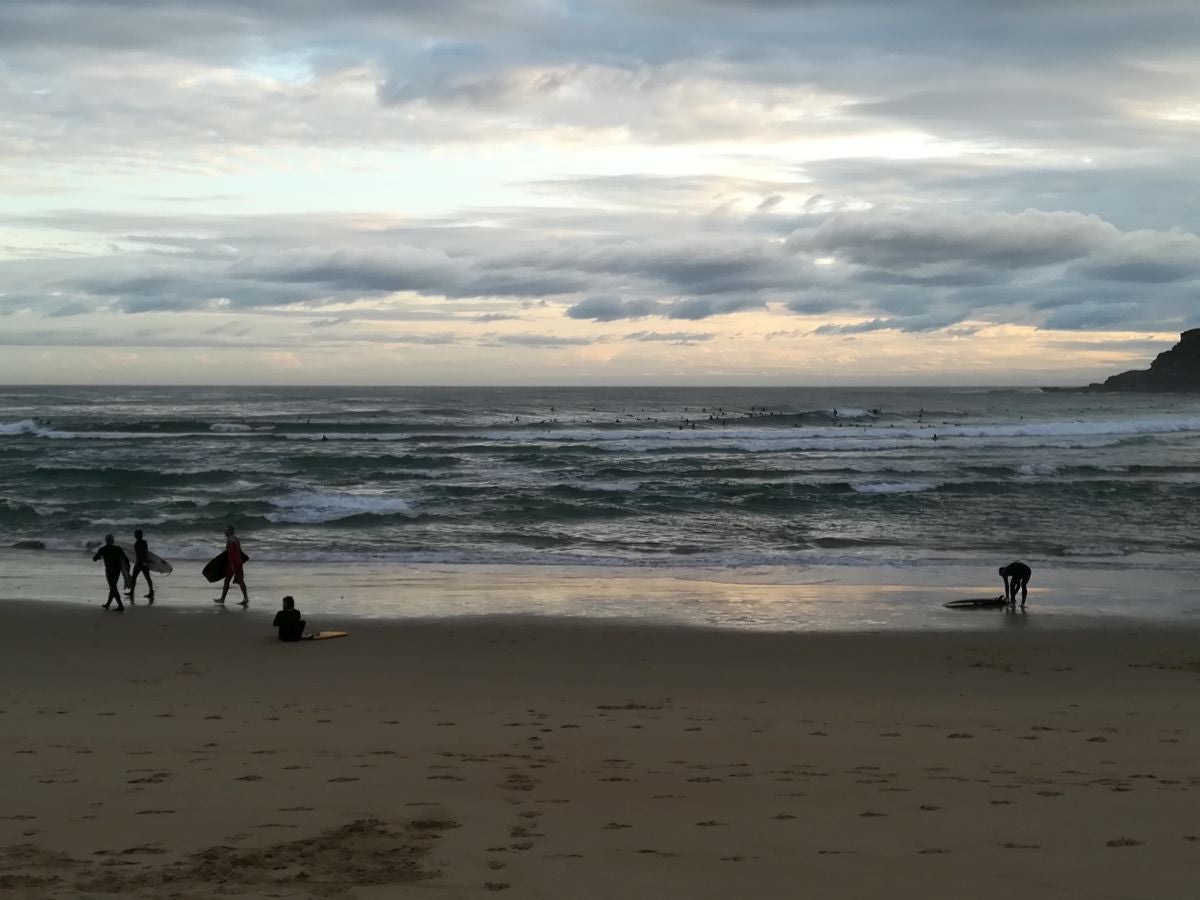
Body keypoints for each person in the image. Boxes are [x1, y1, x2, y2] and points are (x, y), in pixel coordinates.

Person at [92, 534, 130, 611]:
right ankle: (108, 604)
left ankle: (120, 606)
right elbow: (126, 560)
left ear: (106, 541)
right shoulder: (118, 549)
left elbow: (94, 559)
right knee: (113, 587)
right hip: (117, 570)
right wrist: (127, 571)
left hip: (109, 570)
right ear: (112, 541)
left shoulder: (103, 549)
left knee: (113, 587)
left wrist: (100, 557)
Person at [214, 525, 249, 607]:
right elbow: (238, 551)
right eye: (224, 530)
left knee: (233, 581)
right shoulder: (235, 539)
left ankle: (223, 599)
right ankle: (244, 598)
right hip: (237, 563)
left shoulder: (231, 540)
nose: (224, 532)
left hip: (234, 564)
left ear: (230, 531)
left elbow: (233, 553)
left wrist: (233, 565)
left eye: (226, 530)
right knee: (236, 581)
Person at [127, 528, 155, 604]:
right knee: (147, 578)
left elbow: (140, 554)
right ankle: (151, 592)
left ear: (137, 535)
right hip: (143, 562)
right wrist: (146, 561)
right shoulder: (144, 542)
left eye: (135, 534)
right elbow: (145, 552)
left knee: (134, 577)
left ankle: (132, 592)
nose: (135, 535)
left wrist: (142, 562)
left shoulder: (137, 544)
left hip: (140, 563)